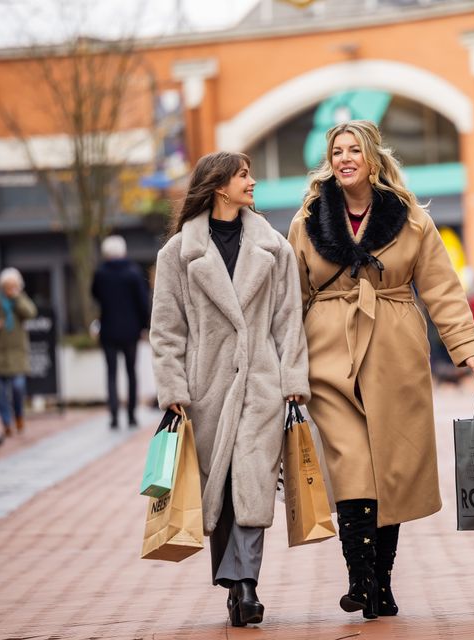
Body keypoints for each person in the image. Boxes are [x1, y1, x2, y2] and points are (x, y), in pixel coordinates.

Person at [287, 120, 474, 620]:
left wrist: (468, 350)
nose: (344, 158)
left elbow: (442, 289)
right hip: (329, 354)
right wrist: (287, 368)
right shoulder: (308, 219)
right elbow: (291, 298)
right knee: (352, 463)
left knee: (391, 471)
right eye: (337, 151)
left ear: (373, 158)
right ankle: (360, 578)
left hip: (394, 354)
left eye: (353, 149)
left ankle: (382, 581)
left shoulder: (411, 220)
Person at [149, 151, 309, 628]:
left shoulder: (273, 247)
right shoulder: (178, 253)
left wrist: (292, 379)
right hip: (207, 387)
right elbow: (166, 329)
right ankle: (233, 581)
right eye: (244, 175)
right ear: (219, 185)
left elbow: (288, 320)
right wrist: (173, 386)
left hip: (260, 381)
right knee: (218, 488)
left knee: (252, 482)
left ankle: (246, 584)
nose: (253, 181)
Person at [91, 235, 150, 428]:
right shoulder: (133, 273)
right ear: (123, 251)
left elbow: (95, 294)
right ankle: (132, 414)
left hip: (108, 330)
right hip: (131, 331)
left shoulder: (100, 274)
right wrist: (144, 326)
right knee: (131, 372)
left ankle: (114, 415)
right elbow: (143, 303)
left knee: (111, 373)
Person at [0, 268, 37, 436]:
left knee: (18, 387)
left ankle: (19, 416)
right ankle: (6, 422)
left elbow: (31, 312)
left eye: (14, 286)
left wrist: (17, 298)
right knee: (1, 393)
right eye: (7, 286)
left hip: (18, 352)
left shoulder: (20, 300)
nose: (10, 289)